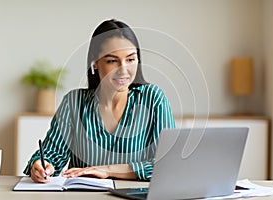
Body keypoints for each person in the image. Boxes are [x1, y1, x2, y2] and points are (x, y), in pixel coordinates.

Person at [24, 19, 175, 183]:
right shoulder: (74, 102)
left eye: (130, 59)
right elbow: (52, 155)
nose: (123, 70)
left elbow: (167, 163)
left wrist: (107, 170)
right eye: (112, 61)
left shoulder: (153, 99)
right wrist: (41, 166)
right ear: (95, 63)